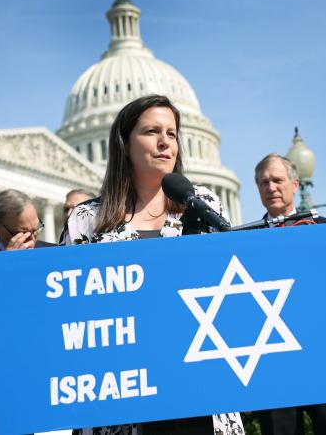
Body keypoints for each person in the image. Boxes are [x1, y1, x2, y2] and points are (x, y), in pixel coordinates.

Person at [60, 94, 245, 435]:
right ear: (125, 145)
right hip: (124, 400)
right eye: (151, 132)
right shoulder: (86, 220)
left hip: (201, 392)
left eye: (171, 133)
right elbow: (69, 313)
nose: (165, 142)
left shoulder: (204, 206)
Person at [252, 154, 326, 435]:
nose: (271, 187)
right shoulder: (248, 240)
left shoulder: (324, 228)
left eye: (277, 180)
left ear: (295, 184)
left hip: (323, 357)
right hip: (274, 366)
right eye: (263, 182)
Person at [0, 188, 54, 435]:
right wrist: (7, 270)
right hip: (2, 390)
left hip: (48, 378)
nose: (32, 238)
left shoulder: (54, 254)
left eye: (36, 229)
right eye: (23, 232)